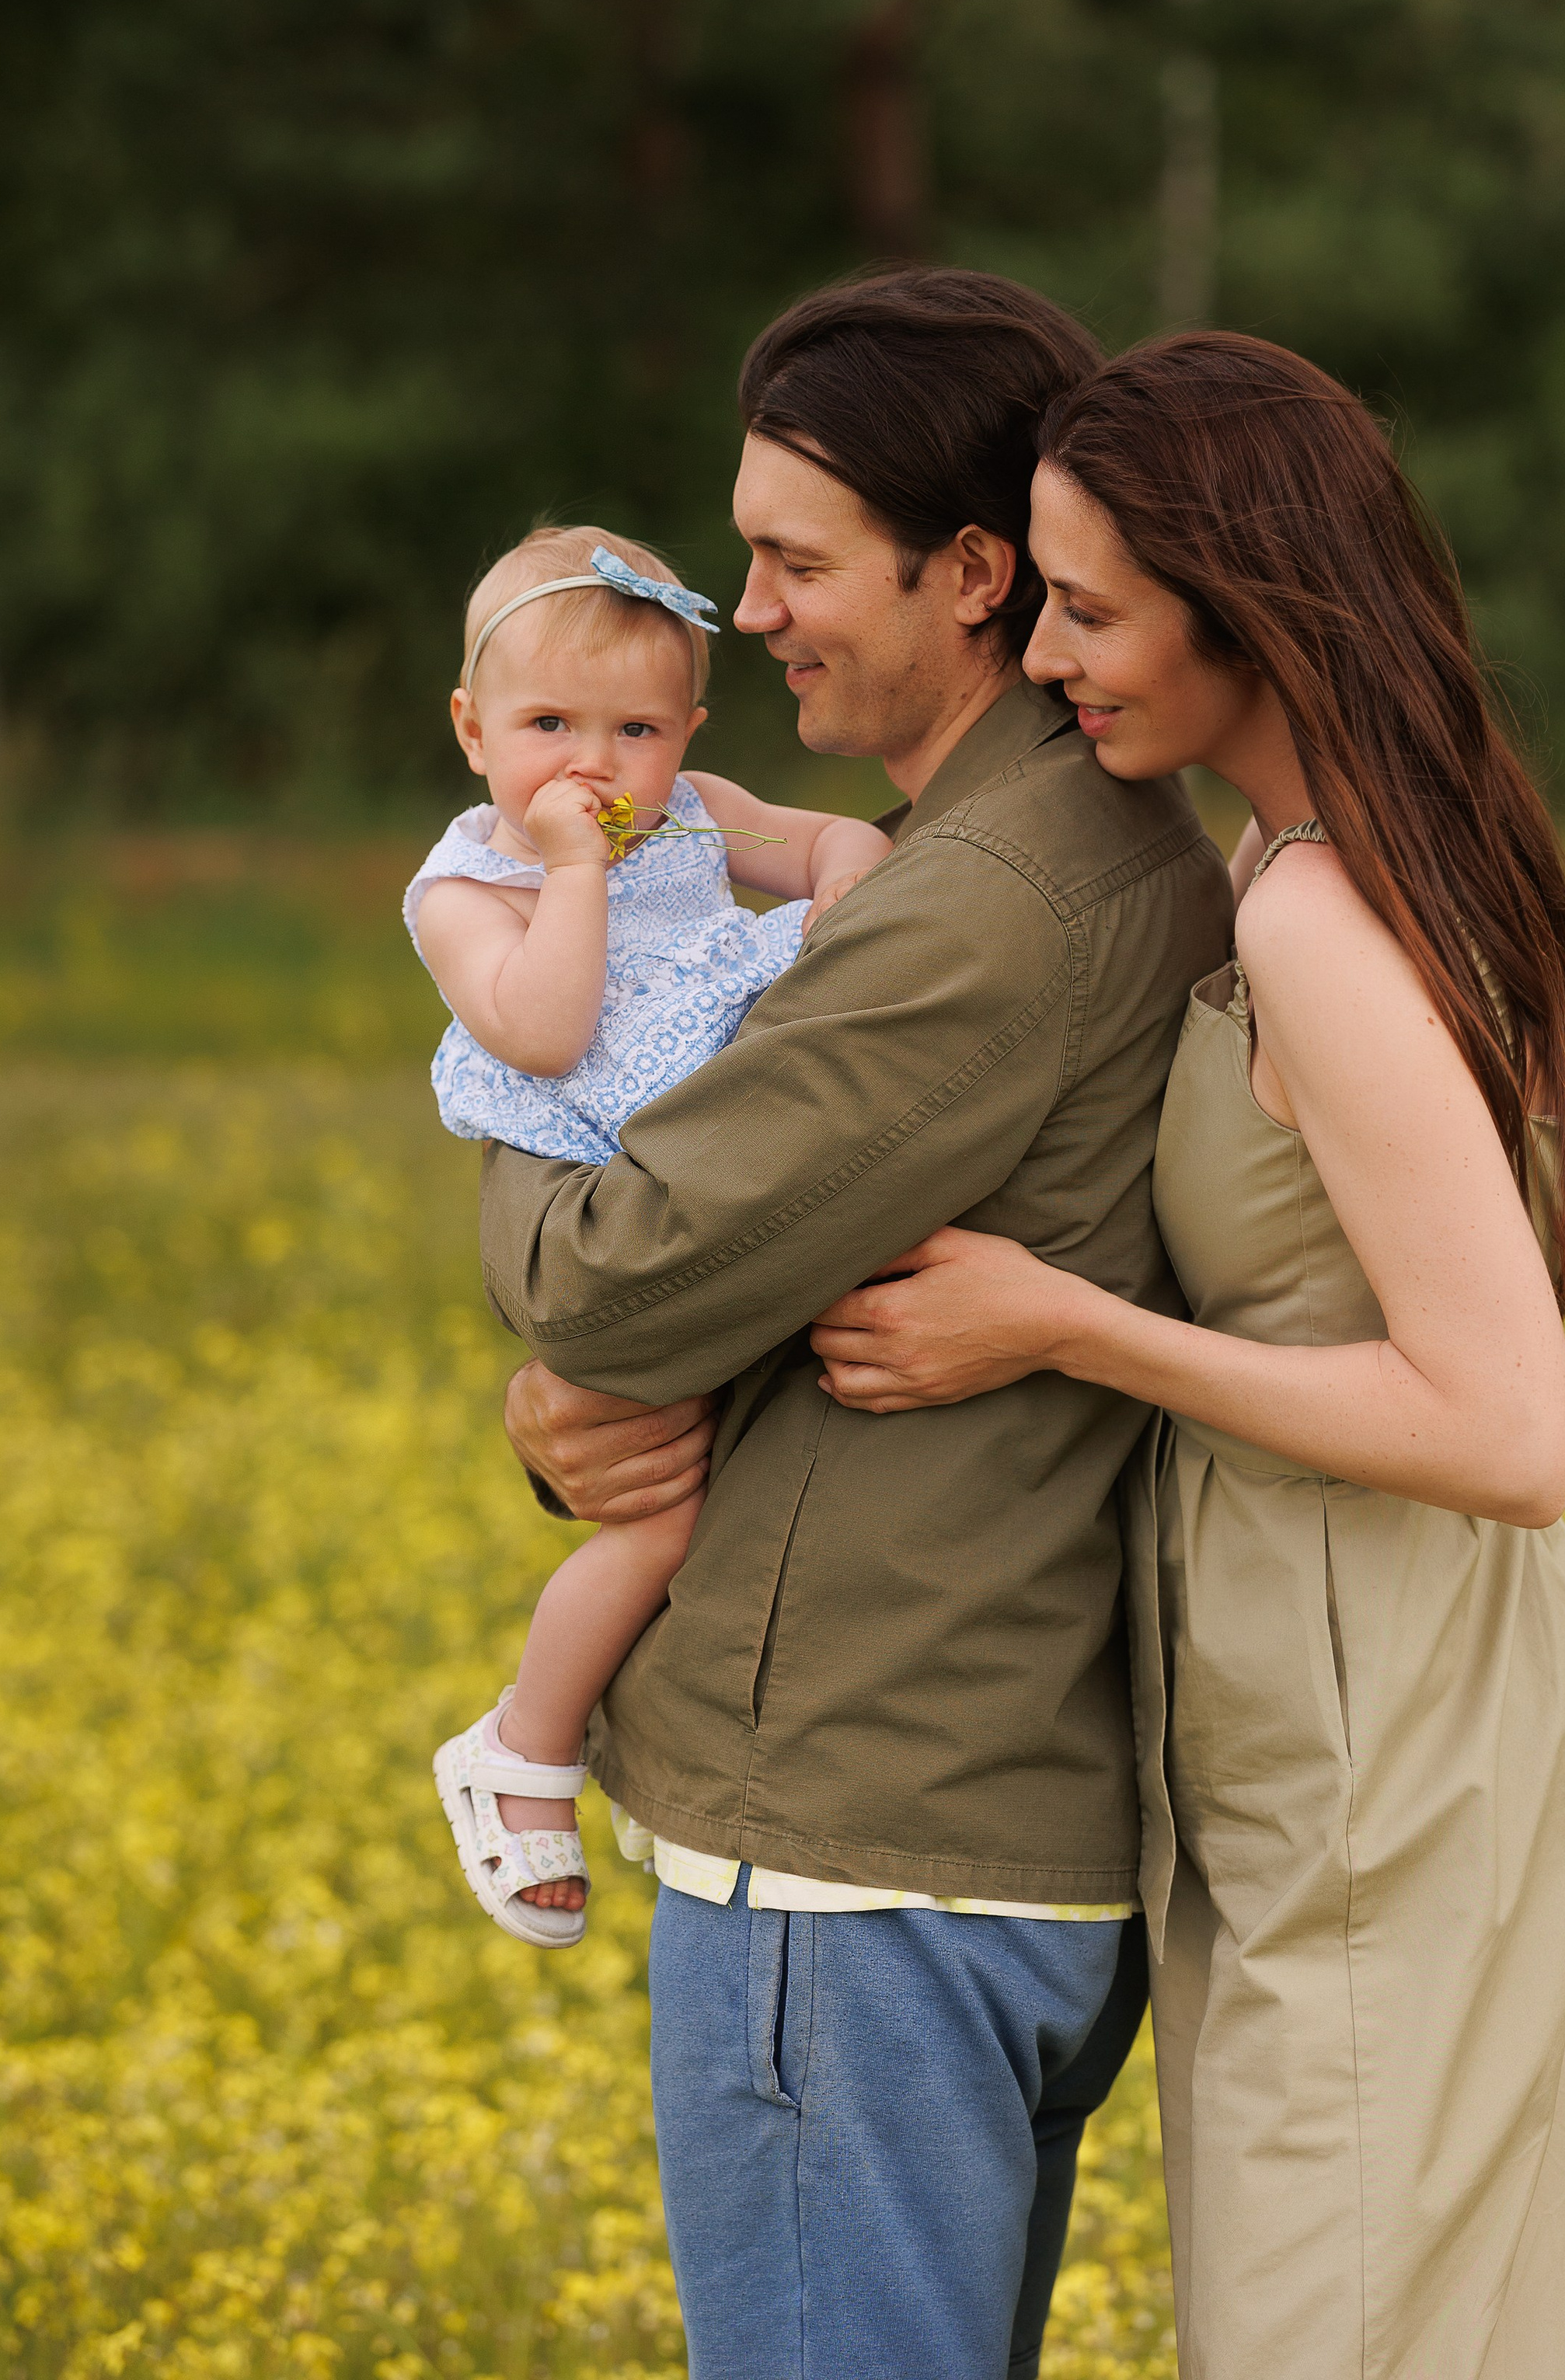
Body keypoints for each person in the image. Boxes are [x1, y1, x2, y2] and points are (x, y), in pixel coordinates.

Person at [810, 333, 1565, 2380]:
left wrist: (1070, 1324)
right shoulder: (1317, 860)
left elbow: (1511, 1430)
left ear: (1245, 608)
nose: (1051, 654)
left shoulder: (1324, 926)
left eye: (1091, 607)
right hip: (1384, 1695)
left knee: (1353, 2316)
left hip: (1388, 1733)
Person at [477, 274, 1235, 2380]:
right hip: (966, 1825)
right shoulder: (1003, 855)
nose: (747, 609)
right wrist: (567, 1414)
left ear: (973, 572)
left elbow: (634, 1269)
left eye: (797, 559)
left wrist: (507, 1102)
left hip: (860, 1858)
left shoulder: (991, 905)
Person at [406, 522, 890, 1946]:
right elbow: (548, 1033)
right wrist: (571, 873)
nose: (594, 767)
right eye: (548, 725)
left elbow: (831, 840)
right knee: (660, 1509)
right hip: (611, 1193)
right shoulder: (466, 893)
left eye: (636, 729)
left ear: (687, 732)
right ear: (470, 729)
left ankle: (660, 1748)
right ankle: (523, 1747)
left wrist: (845, 887)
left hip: (734, 1177)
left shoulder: (692, 812)